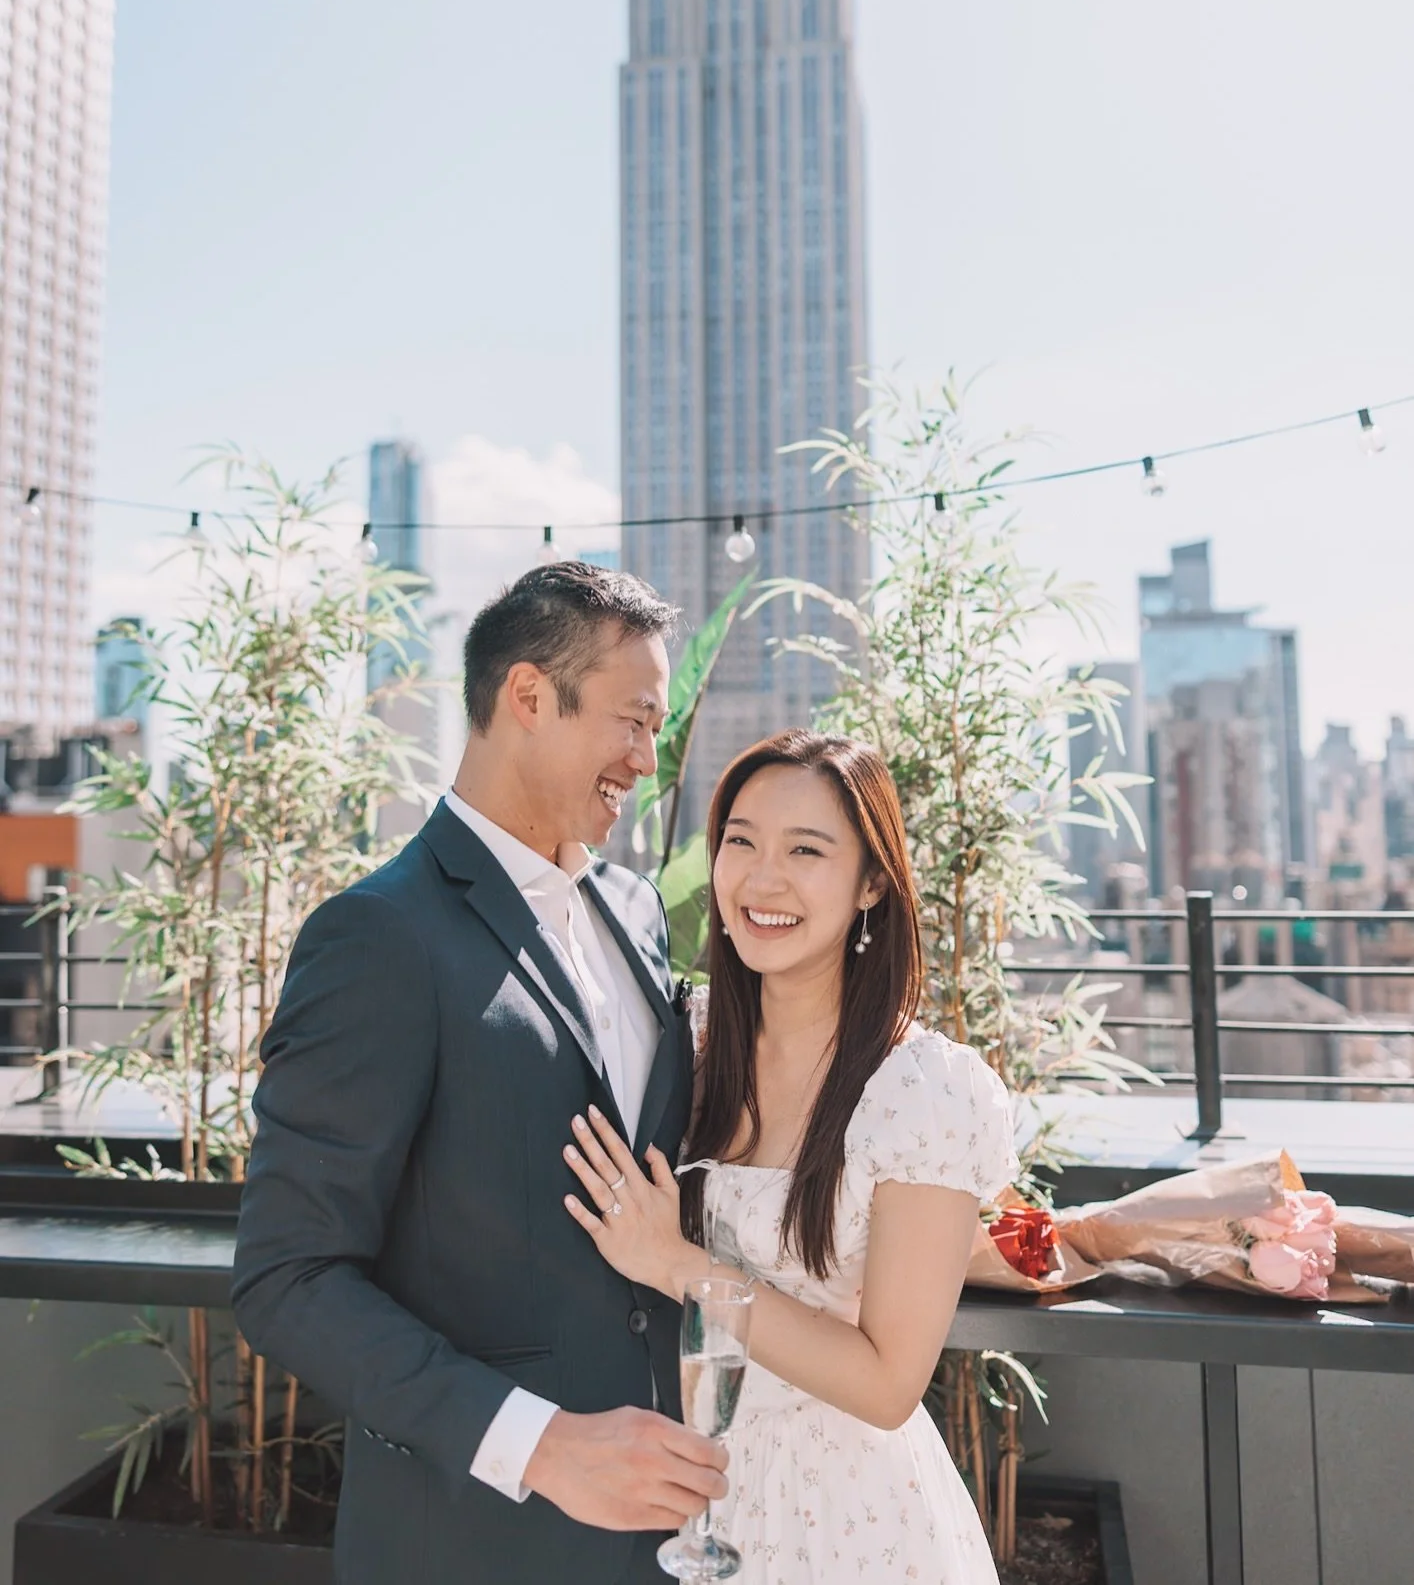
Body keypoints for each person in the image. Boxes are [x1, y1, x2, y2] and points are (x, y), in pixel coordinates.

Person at [232, 562, 728, 1585]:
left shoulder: (635, 908)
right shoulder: (377, 935)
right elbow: (289, 1277)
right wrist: (542, 1445)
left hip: (668, 1531)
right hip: (469, 1539)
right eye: (633, 720)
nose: (649, 756)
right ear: (530, 697)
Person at [559, 729, 1018, 1583]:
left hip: (848, 1516)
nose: (762, 879)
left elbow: (888, 1382)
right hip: (677, 1487)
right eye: (741, 841)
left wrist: (682, 1266)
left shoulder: (923, 1091)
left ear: (872, 881)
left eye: (806, 850)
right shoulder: (680, 1049)